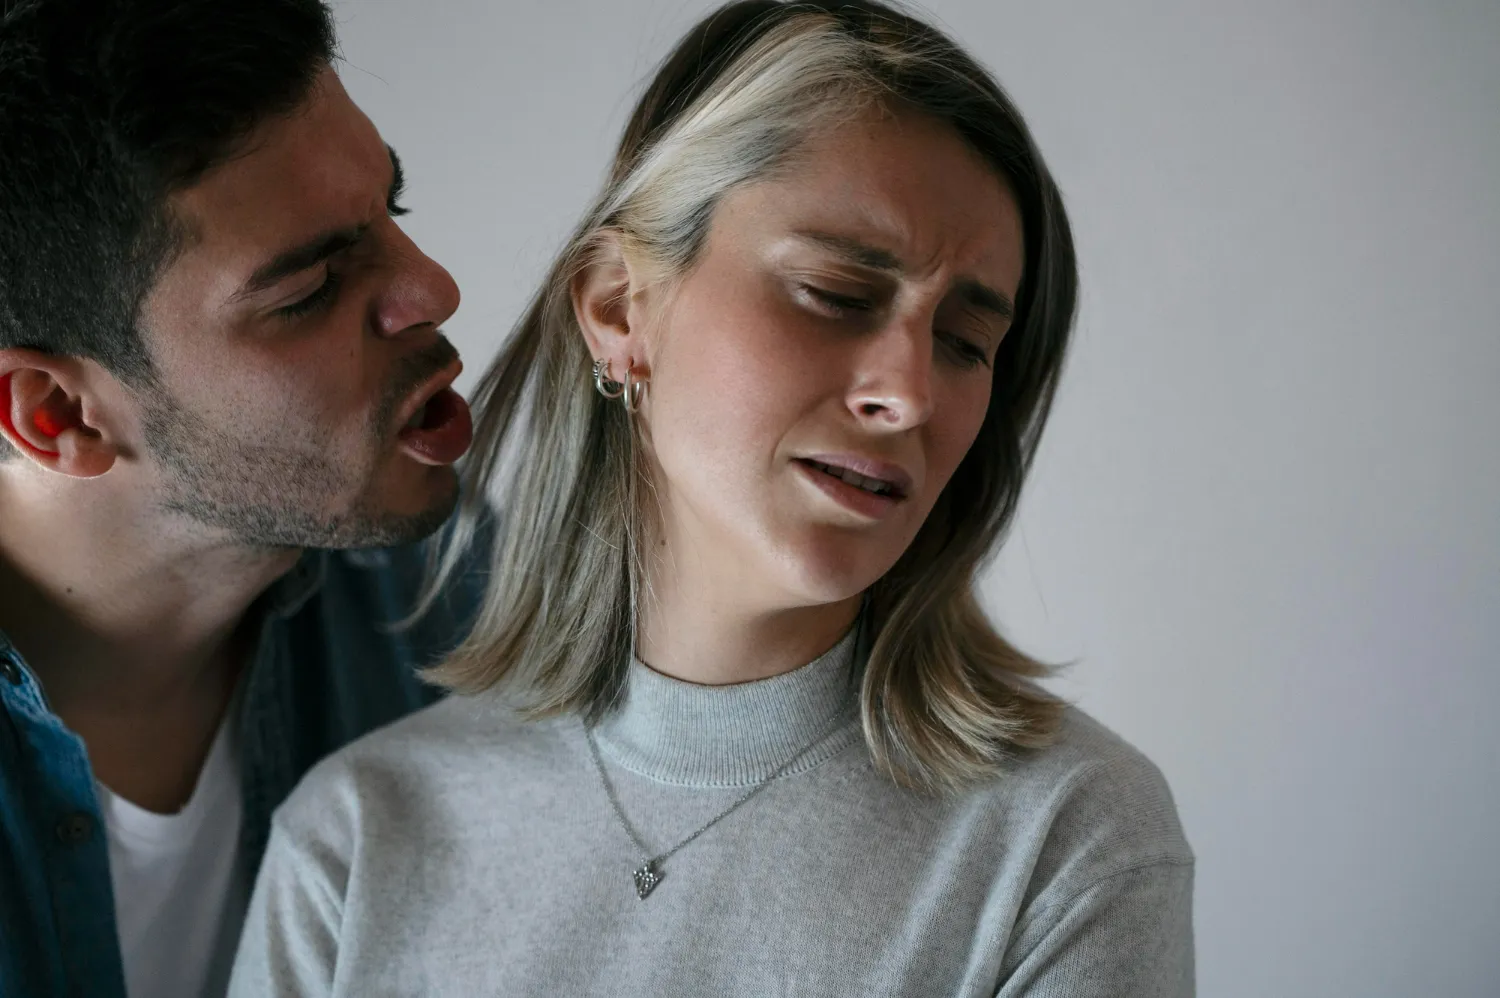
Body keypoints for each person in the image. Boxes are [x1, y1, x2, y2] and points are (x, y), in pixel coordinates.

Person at [230, 2, 1194, 995]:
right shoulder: (355, 838)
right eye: (835, 290)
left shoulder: (1065, 837)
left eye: (963, 343)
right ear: (619, 308)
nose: (907, 393)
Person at [0, 2, 488, 996]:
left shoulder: (452, 612)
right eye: (309, 287)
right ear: (58, 416)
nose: (433, 288)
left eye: (394, 210)